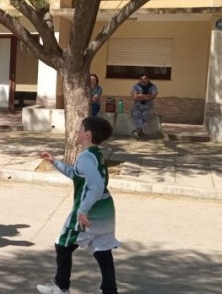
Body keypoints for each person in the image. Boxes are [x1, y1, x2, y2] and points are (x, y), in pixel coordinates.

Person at [37, 117, 120, 294]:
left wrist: (83, 211)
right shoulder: (96, 154)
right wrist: (55, 162)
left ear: (87, 134)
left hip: (90, 211)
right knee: (102, 249)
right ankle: (110, 290)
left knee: (63, 245)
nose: (77, 132)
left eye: (80, 129)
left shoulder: (85, 158)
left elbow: (95, 186)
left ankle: (61, 287)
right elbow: (77, 175)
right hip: (105, 210)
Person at [129, 74, 158, 140]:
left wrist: (140, 96)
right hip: (137, 106)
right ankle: (140, 132)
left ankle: (138, 131)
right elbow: (134, 97)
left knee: (147, 115)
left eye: (145, 78)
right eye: (141, 79)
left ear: (148, 79)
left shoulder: (153, 87)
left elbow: (153, 96)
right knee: (136, 114)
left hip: (148, 106)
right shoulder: (135, 86)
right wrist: (148, 96)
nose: (143, 80)